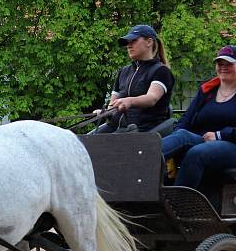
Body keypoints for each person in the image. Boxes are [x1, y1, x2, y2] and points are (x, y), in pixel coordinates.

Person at [161, 45, 236, 189]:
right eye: (220, 64)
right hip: (203, 141)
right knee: (181, 134)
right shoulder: (207, 91)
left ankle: (178, 206)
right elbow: (186, 120)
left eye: (229, 63)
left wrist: (219, 135)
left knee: (196, 153)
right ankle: (136, 161)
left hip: (231, 145)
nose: (223, 67)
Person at [94, 24, 175, 133]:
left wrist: (130, 101)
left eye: (134, 41)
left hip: (142, 131)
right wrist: (105, 113)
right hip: (115, 128)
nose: (129, 46)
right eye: (128, 43)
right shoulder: (123, 71)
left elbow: (151, 98)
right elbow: (112, 106)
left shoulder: (161, 71)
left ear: (149, 42)